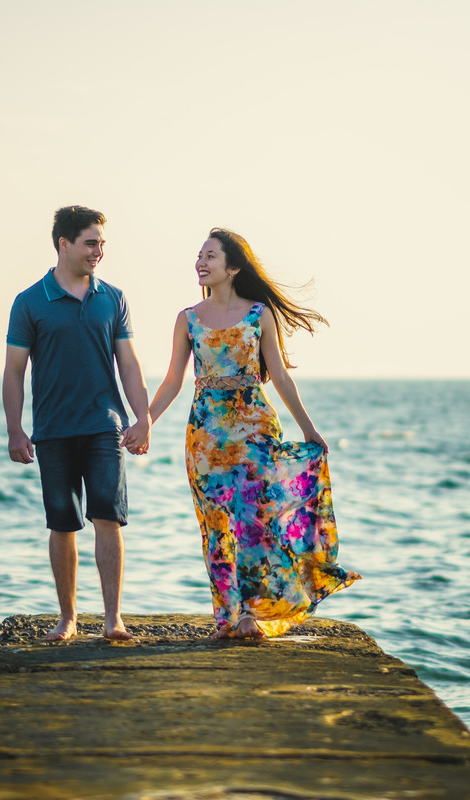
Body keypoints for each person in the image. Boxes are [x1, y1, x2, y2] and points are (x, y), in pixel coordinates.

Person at [148, 228, 360, 640]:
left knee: (252, 522)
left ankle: (249, 615)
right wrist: (146, 422)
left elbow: (279, 375)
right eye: (199, 256)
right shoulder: (187, 319)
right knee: (215, 523)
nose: (201, 262)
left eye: (210, 256)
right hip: (205, 435)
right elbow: (173, 380)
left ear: (233, 267)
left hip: (255, 429)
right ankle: (226, 618)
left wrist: (308, 427)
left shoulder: (258, 314)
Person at [2, 205, 150, 642]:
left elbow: (128, 362)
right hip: (53, 429)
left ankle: (112, 619)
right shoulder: (30, 301)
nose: (98, 251)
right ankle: (67, 619)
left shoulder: (113, 298)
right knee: (62, 522)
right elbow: (14, 371)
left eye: (102, 243)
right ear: (63, 244)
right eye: (90, 242)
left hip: (105, 426)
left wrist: (143, 418)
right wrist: (15, 428)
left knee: (108, 517)